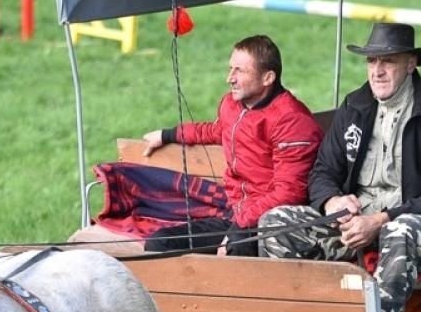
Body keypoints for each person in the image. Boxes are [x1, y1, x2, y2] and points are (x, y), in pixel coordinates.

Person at [257, 22, 421, 312]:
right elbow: (323, 170)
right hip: (357, 224)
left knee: (401, 230)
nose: (377, 71)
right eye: (371, 61)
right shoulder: (356, 106)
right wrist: (333, 202)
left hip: (420, 224)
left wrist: (382, 220)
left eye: (388, 61)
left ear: (411, 64)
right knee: (274, 224)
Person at [137, 34, 322, 255]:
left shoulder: (292, 121)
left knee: (237, 248)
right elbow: (215, 131)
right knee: (159, 244)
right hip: (233, 213)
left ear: (268, 78)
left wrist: (239, 226)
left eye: (239, 71)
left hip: (268, 223)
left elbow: (289, 193)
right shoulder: (231, 104)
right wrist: (166, 135)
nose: (229, 78)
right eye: (230, 68)